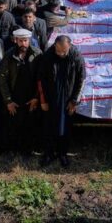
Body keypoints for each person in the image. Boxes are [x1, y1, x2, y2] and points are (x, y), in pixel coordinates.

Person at [36, 35, 85, 167]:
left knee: (64, 127)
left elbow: (82, 80)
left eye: (63, 51)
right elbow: (40, 79)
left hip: (67, 98)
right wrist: (43, 100)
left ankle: (62, 153)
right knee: (49, 126)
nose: (60, 54)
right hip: (51, 97)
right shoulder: (48, 55)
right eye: (58, 50)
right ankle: (49, 153)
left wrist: (74, 101)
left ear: (69, 46)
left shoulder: (76, 57)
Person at [0, 28, 42, 156]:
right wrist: (8, 101)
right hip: (14, 97)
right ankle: (13, 151)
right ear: (15, 40)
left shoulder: (37, 54)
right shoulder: (8, 55)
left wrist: (36, 97)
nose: (23, 43)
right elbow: (2, 79)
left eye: (25, 40)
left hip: (31, 98)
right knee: (13, 126)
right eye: (20, 41)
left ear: (29, 40)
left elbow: (41, 78)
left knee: (30, 125)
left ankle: (27, 151)